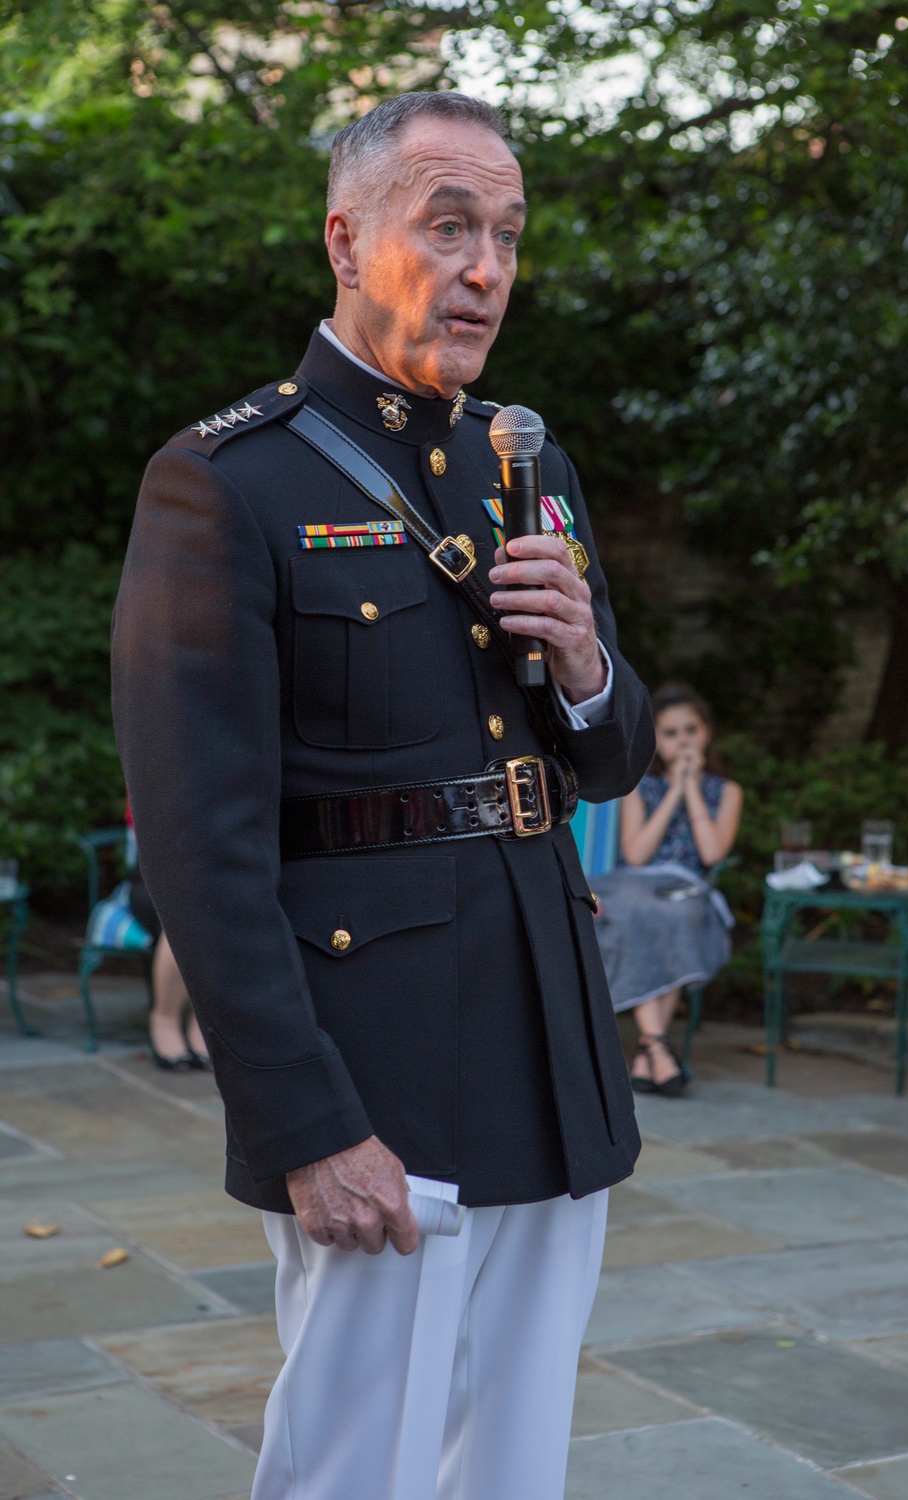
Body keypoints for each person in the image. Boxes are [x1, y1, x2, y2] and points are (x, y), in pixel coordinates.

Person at [111, 92, 654, 1500]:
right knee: (359, 1469)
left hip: (545, 1044)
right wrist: (305, 1123)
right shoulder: (226, 485)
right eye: (450, 225)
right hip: (375, 1076)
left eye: (509, 236)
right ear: (348, 241)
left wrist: (588, 661)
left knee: (515, 1462)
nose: (487, 268)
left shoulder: (525, 468)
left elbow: (604, 762)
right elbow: (199, 848)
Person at [592, 683, 742, 1096]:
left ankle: (648, 1051)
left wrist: (691, 788)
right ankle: (658, 1046)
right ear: (657, 740)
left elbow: (711, 853)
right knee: (644, 915)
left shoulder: (726, 792)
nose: (682, 741)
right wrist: (672, 790)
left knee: (671, 918)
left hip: (686, 888)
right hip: (633, 885)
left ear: (706, 733)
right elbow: (637, 855)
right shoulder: (641, 787)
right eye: (671, 733)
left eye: (690, 731)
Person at [126, 800, 210, 1070]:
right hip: (157, 874)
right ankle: (165, 1018)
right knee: (189, 909)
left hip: (212, 873)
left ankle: (203, 1021)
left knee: (218, 902)